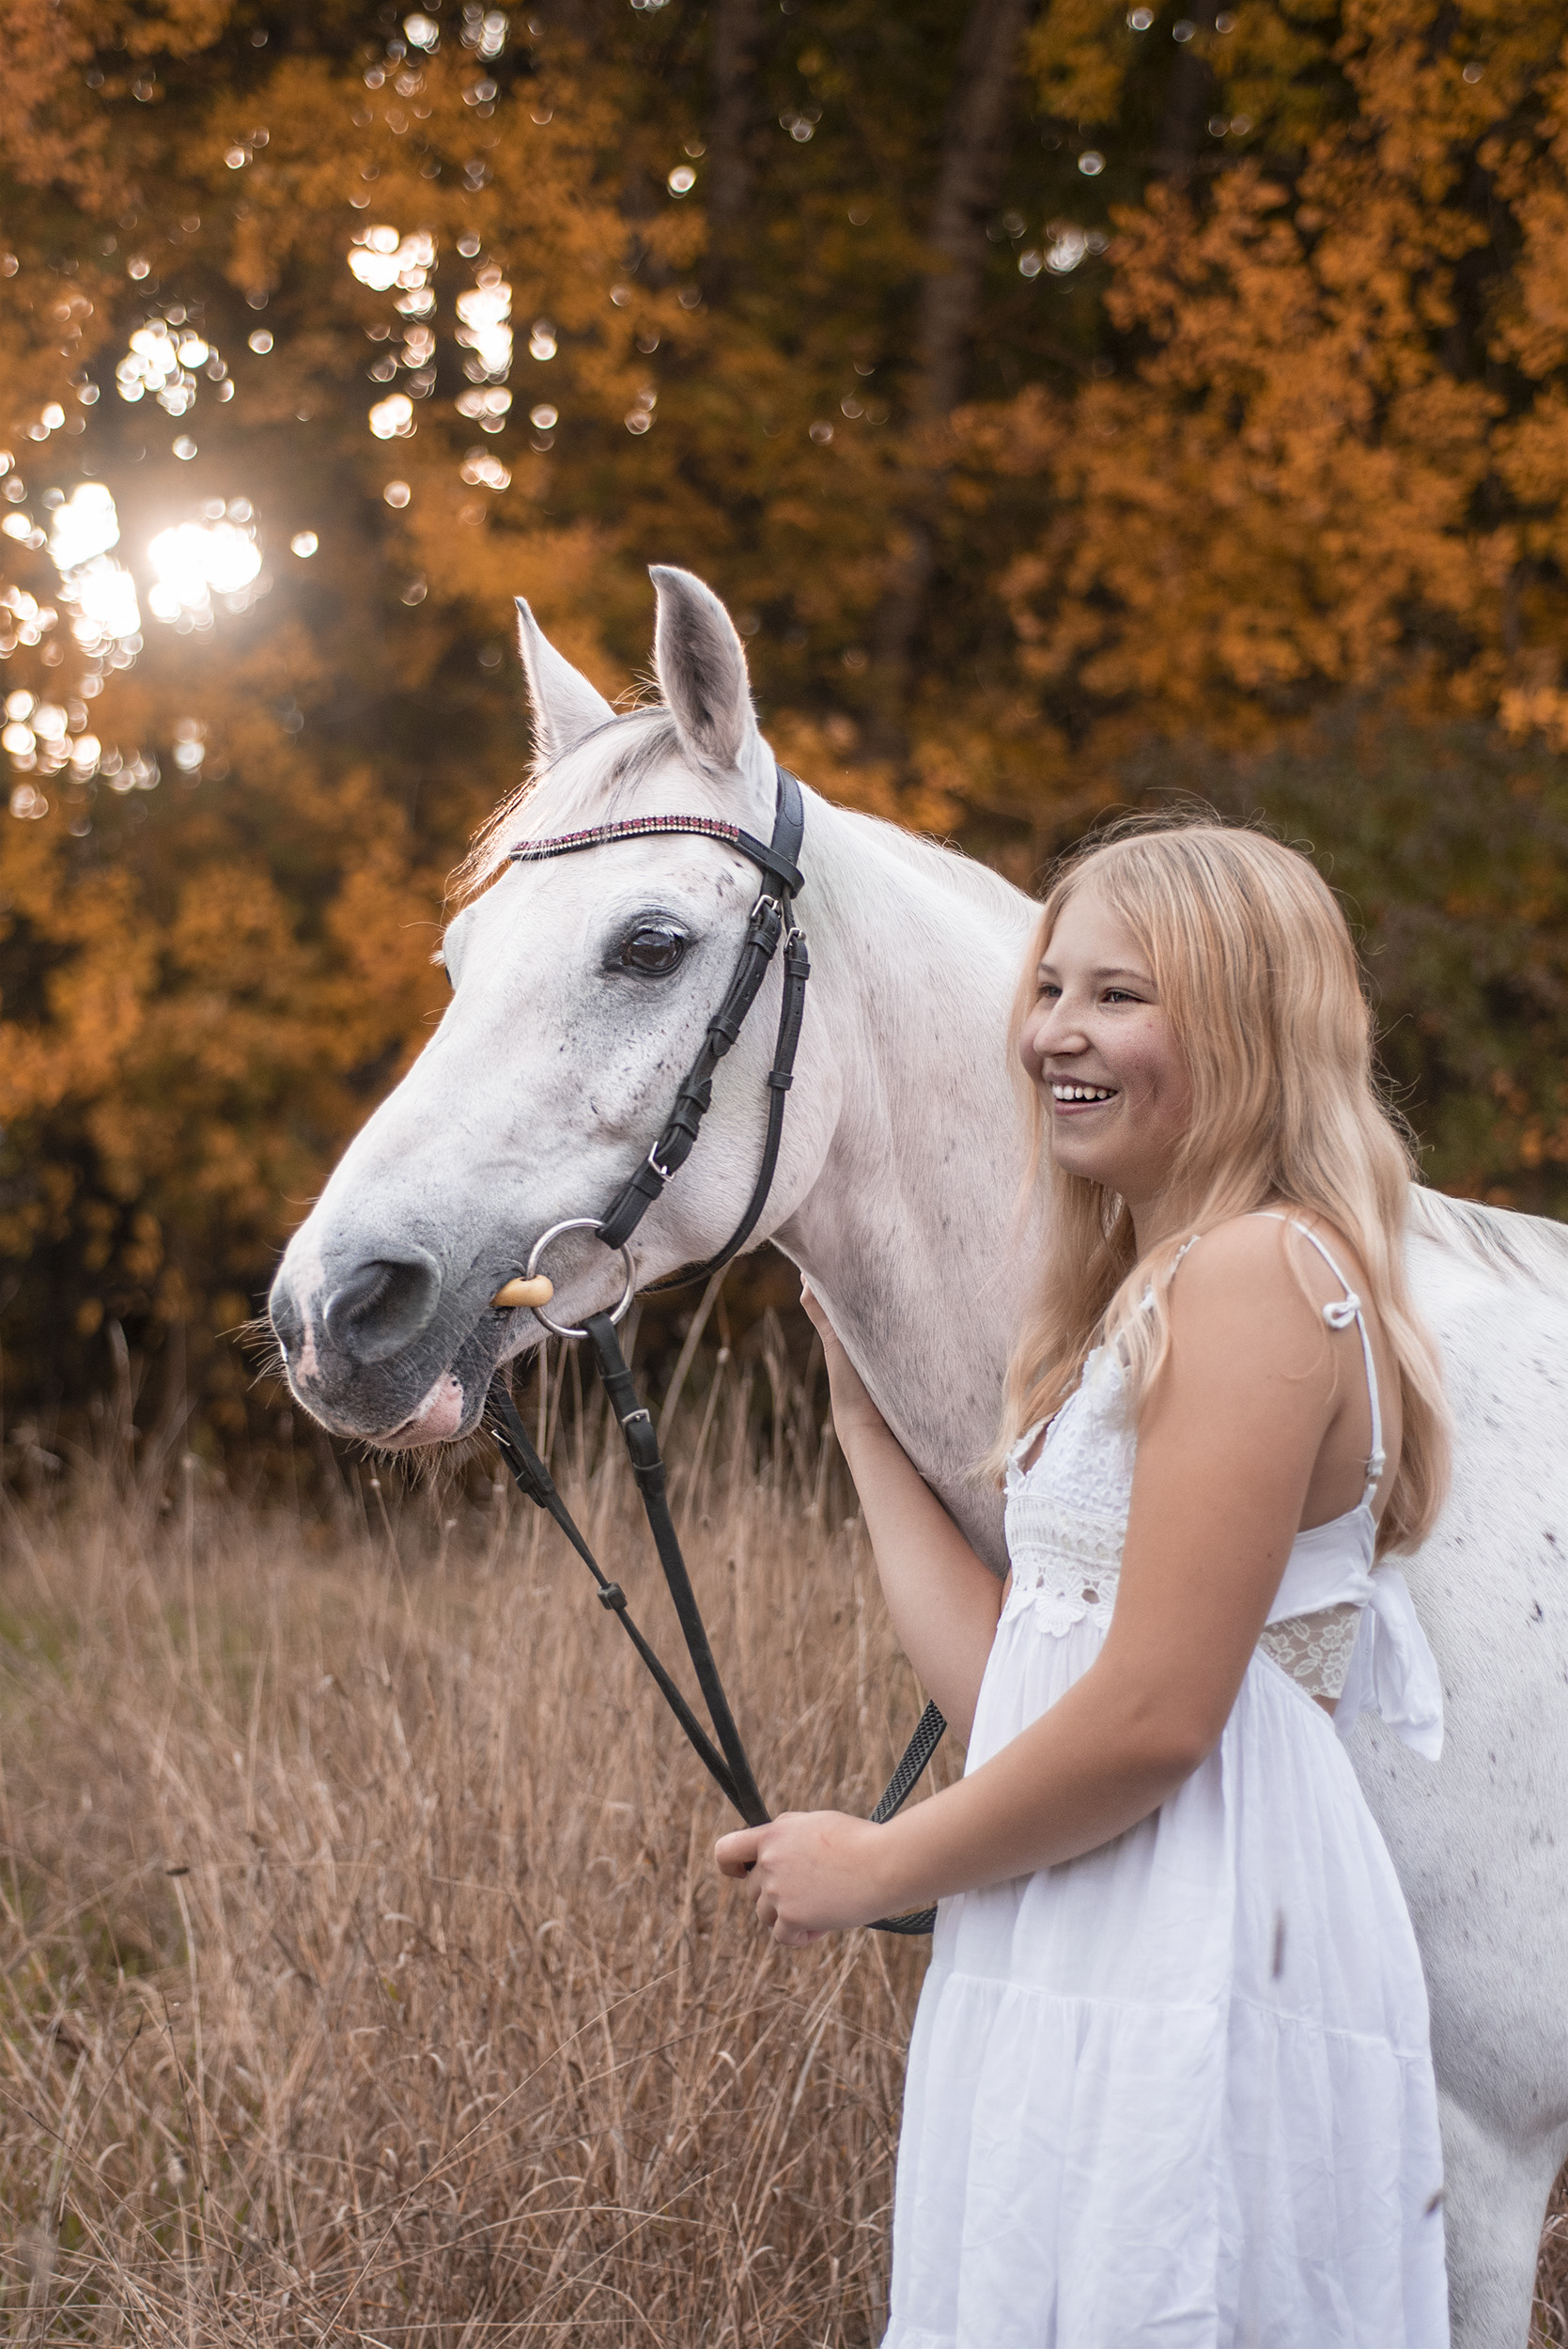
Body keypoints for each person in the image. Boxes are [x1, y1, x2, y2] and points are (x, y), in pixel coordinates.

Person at [716, 818, 1452, 2347]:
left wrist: (881, 1866)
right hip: (1094, 1908)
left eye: (1119, 996)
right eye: (1051, 987)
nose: (1055, 1030)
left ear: (1246, 1030)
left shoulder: (1256, 1275)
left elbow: (1154, 1717)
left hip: (1194, 1932)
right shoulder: (1156, 1286)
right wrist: (860, 1423)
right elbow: (1021, 1686)